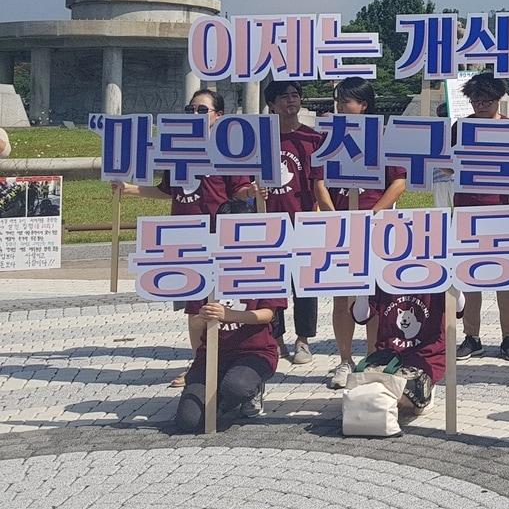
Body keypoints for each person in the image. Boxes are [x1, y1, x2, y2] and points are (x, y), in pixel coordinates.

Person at [113, 89, 254, 388]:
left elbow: (239, 190)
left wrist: (254, 191)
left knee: (218, 305)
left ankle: (227, 361)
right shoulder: (178, 148)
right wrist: (130, 189)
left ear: (219, 116)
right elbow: (168, 190)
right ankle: (200, 365)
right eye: (190, 110)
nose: (194, 116)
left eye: (202, 111)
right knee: (194, 309)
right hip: (185, 237)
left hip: (219, 236)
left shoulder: (229, 149)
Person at [322, 77, 408, 390]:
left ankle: (372, 357)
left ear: (364, 105)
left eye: (347, 101)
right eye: (339, 101)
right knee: (342, 297)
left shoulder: (383, 138)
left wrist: (374, 214)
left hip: (376, 228)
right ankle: (344, 359)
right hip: (342, 227)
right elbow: (319, 181)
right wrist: (332, 215)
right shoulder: (330, 137)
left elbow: (399, 182)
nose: (341, 107)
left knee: (374, 298)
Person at [255, 79, 328, 366]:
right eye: (283, 97)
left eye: (295, 95)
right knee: (271, 285)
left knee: (304, 285)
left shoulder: (313, 140)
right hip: (268, 222)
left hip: (302, 221)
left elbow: (319, 183)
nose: (291, 100)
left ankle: (304, 340)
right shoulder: (262, 140)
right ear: (271, 104)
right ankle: (275, 339)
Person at [454, 73, 509, 362]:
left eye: (487, 100)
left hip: (505, 208)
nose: (481, 105)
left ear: (499, 100)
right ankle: (472, 336)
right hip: (468, 207)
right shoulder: (460, 127)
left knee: (507, 275)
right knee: (470, 274)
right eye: (476, 100)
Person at [173, 290, 284, 432]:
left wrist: (228, 315)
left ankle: (248, 392)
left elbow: (267, 314)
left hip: (254, 351)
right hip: (213, 353)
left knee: (237, 387)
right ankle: (219, 396)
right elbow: (194, 323)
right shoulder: (205, 275)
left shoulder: (261, 271)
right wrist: (204, 317)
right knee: (189, 421)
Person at [355, 286, 447, 419]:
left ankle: (425, 389)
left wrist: (455, 280)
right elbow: (360, 317)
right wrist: (363, 287)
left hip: (425, 358)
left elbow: (459, 309)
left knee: (399, 396)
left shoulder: (438, 275)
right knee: (365, 394)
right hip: (389, 358)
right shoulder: (382, 276)